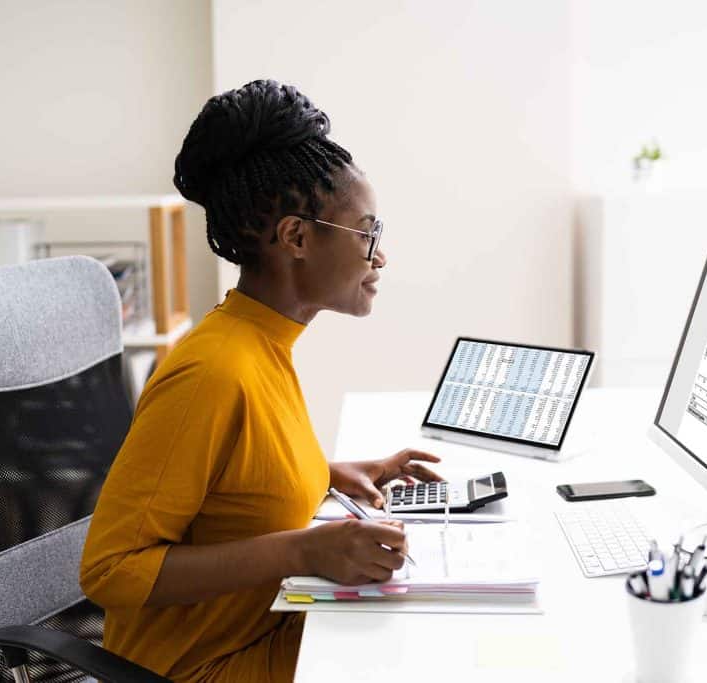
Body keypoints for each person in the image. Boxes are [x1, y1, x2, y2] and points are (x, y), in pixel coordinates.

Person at [80, 79, 441, 682]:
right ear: (297, 238)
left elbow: (232, 484)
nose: (380, 257)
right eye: (368, 233)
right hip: (203, 668)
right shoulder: (213, 371)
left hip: (267, 632)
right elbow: (110, 571)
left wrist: (327, 472)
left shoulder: (262, 342)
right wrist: (303, 550)